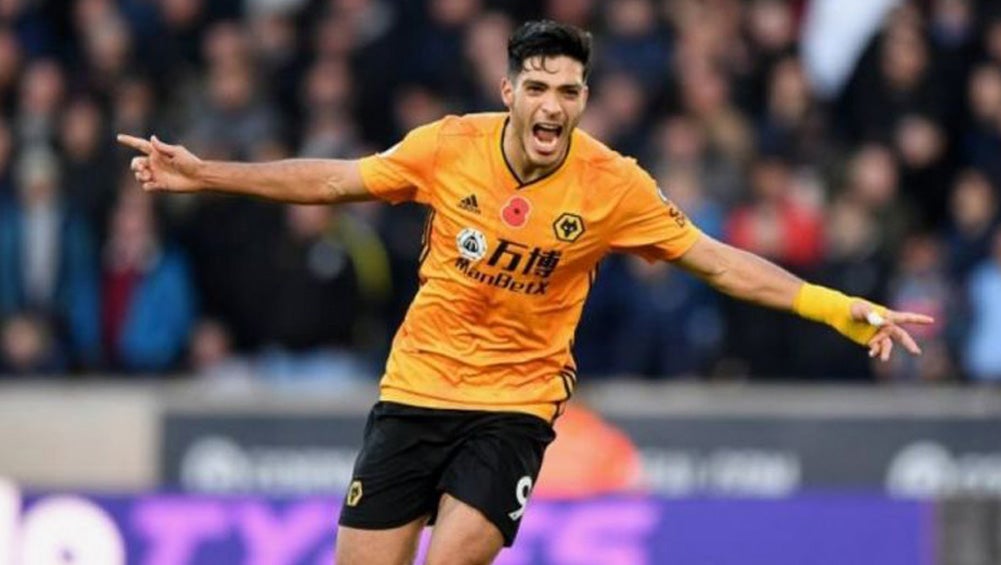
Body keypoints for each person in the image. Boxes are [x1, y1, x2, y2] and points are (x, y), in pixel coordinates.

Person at [119, 20, 932, 565]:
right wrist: (205, 173)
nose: (552, 105)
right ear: (509, 91)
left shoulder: (613, 185)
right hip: (415, 389)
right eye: (538, 87)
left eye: (569, 92)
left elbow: (719, 262)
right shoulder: (448, 147)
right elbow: (335, 180)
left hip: (515, 402)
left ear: (583, 101)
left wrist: (834, 305)